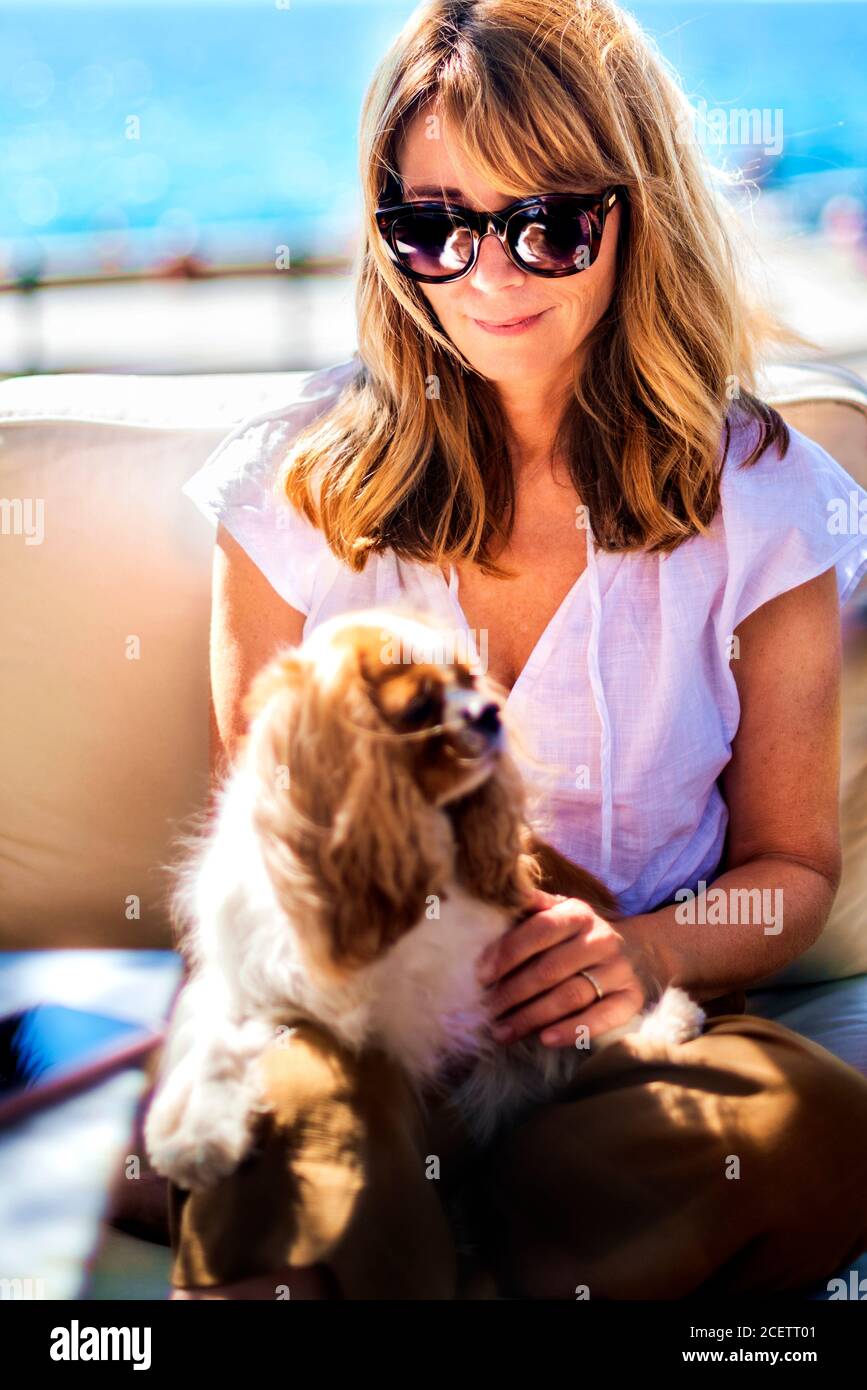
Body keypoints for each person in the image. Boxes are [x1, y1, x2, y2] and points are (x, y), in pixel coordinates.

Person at [167, 0, 867, 1299]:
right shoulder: (285, 490)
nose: (488, 276)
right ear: (386, 234)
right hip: (357, 1014)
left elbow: (792, 872)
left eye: (549, 224)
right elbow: (269, 853)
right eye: (433, 225)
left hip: (602, 1045)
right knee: (309, 1129)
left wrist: (648, 949)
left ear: (637, 211)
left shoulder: (769, 500)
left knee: (816, 1120)